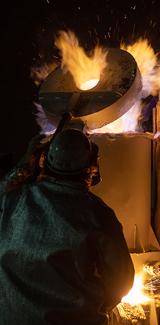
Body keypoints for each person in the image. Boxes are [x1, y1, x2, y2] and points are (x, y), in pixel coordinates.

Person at [0, 128, 134, 325]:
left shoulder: (14, 200)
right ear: (92, 166)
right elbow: (121, 281)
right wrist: (96, 306)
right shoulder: (98, 213)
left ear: (44, 161)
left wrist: (23, 166)